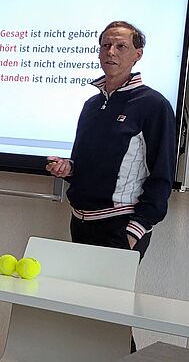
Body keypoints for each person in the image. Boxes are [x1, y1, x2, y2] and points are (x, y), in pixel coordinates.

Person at [45, 21, 177, 260]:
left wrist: (135, 230)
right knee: (75, 286)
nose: (111, 52)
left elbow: (162, 174)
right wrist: (68, 168)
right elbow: (87, 164)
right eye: (105, 45)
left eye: (120, 46)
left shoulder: (153, 105)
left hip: (120, 227)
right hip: (80, 222)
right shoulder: (91, 105)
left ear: (138, 55)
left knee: (107, 288)